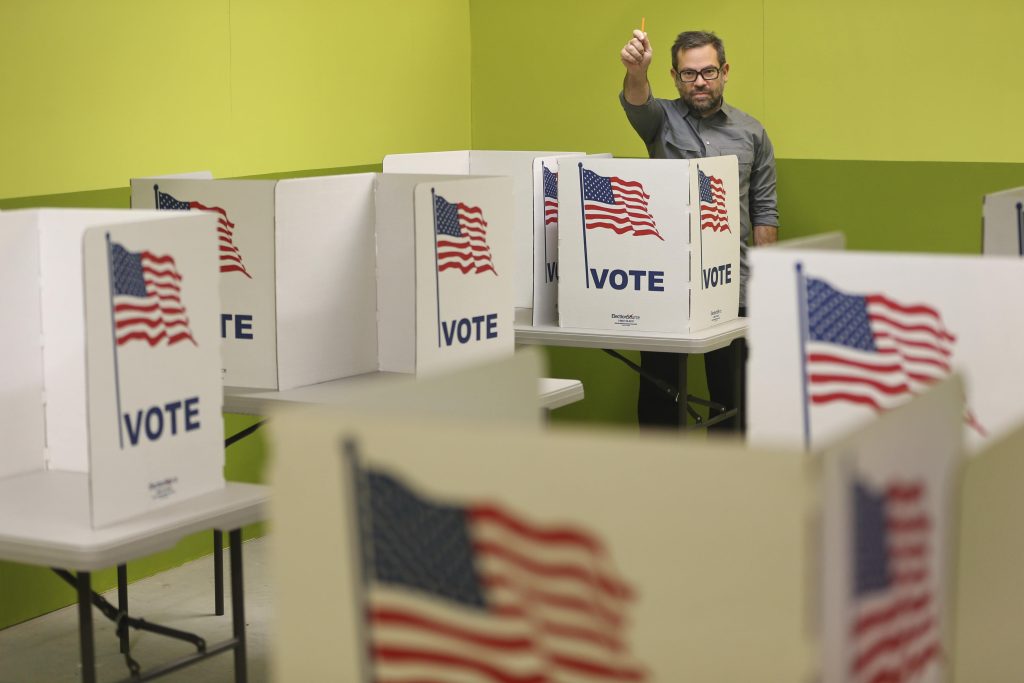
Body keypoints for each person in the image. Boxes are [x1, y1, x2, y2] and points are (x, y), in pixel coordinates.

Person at [619, 28, 779, 431]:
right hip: (666, 282)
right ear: (674, 77)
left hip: (732, 284)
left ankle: (727, 485)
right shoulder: (660, 121)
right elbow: (636, 101)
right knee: (659, 399)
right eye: (689, 74)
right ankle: (661, 483)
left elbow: (764, 212)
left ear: (724, 72)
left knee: (734, 400)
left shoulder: (752, 133)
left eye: (708, 71)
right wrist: (637, 71)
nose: (700, 81)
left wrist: (767, 288)